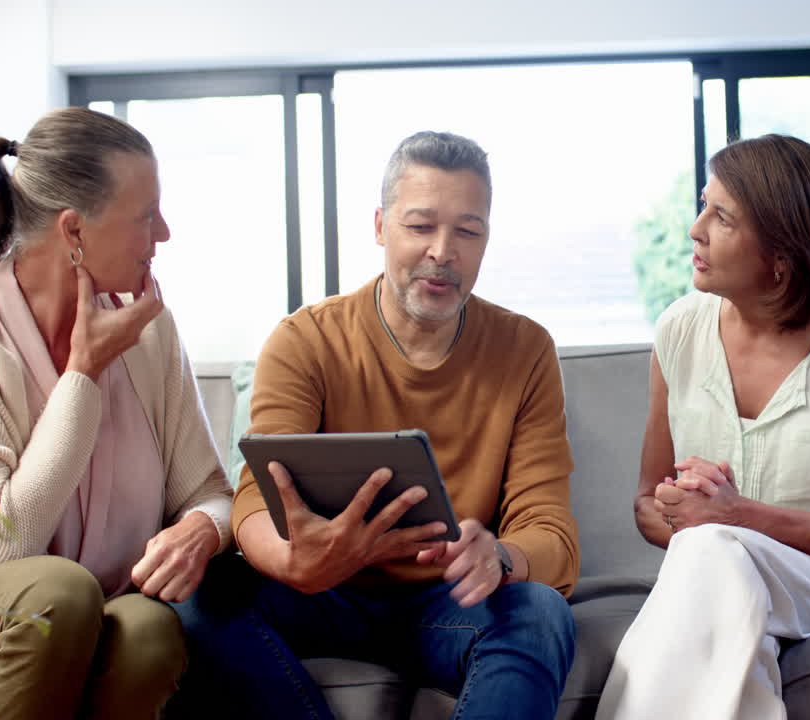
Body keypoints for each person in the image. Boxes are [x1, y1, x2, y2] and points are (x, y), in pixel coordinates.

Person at [172, 131, 578, 719]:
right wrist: (293, 561)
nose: (443, 251)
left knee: (540, 613)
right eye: (420, 226)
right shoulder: (306, 339)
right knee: (198, 596)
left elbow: (551, 530)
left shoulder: (525, 350)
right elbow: (256, 499)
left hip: (451, 601)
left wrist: (501, 556)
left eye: (467, 232)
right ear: (381, 226)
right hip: (319, 593)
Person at [596, 134, 810, 720]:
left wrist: (732, 517)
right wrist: (690, 517)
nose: (695, 230)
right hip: (715, 571)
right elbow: (648, 503)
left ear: (782, 254)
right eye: (703, 206)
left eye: (722, 217)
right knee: (714, 560)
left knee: (712, 549)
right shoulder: (679, 330)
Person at [0, 107, 234, 719]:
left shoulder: (152, 331)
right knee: (60, 593)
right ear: (74, 231)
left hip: (105, 605)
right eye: (146, 216)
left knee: (146, 630)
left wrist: (201, 530)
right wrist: (83, 373)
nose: (164, 234)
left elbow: (209, 492)